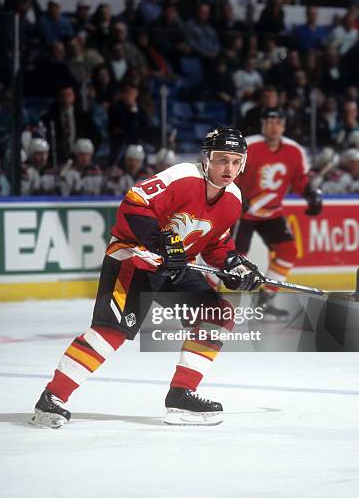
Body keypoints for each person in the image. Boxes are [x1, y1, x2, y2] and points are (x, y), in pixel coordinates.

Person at [29, 127, 261, 428]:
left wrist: (234, 264)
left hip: (176, 269)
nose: (228, 168)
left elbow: (216, 243)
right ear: (207, 159)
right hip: (135, 259)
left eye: (235, 161)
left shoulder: (233, 198)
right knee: (110, 332)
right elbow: (134, 203)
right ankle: (52, 397)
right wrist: (163, 242)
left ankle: (182, 394)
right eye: (221, 160)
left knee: (216, 314)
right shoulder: (183, 177)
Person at [235, 107, 322, 318]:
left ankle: (264, 301)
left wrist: (310, 194)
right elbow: (231, 172)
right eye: (269, 122)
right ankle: (207, 300)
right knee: (233, 260)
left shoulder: (294, 150)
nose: (274, 127)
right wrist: (237, 196)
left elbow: (299, 179)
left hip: (271, 213)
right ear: (263, 125)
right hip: (243, 213)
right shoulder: (249, 146)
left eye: (278, 123)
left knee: (288, 251)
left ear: (283, 126)